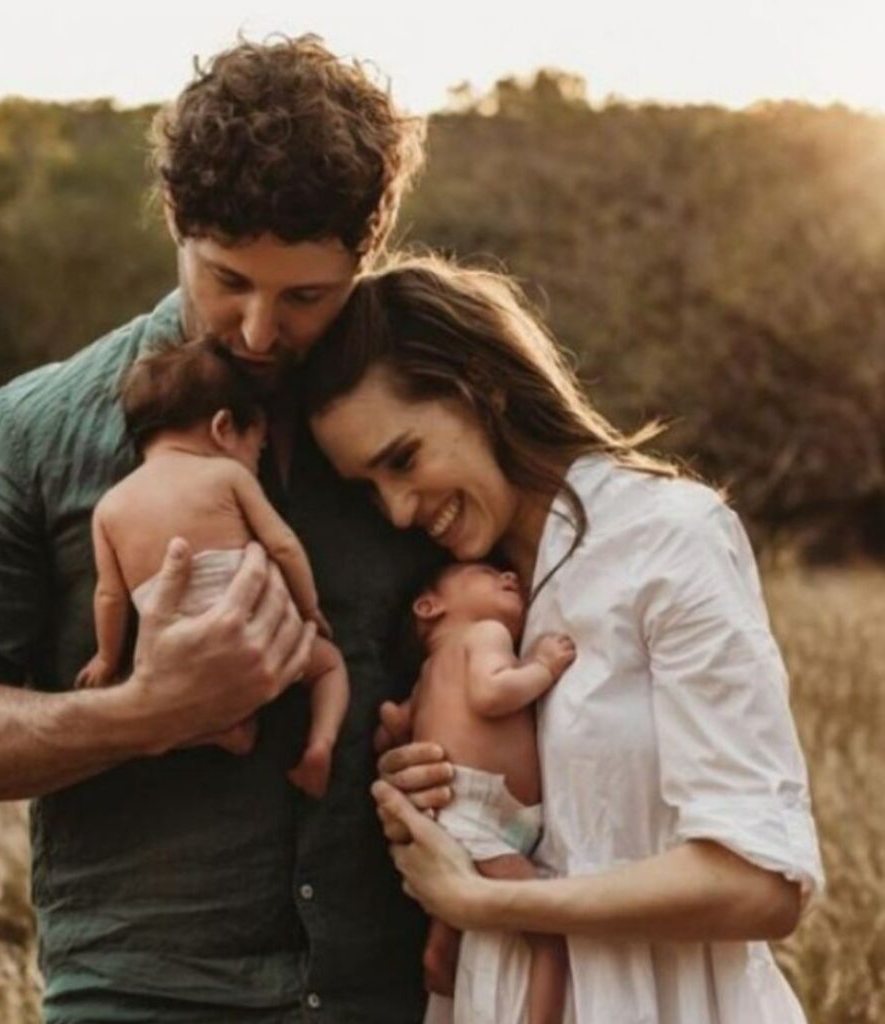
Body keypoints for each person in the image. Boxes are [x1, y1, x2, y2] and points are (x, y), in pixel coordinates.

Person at [0, 36, 444, 1023]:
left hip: (394, 995)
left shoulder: (425, 428)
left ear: (370, 248)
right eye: (227, 280)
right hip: (138, 1000)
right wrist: (141, 713)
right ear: (175, 225)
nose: (261, 330)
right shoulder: (29, 431)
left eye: (305, 296)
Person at [304, 254, 825, 1023]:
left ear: (481, 384)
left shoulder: (666, 539)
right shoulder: (455, 597)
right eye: (369, 489)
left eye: (404, 460)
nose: (400, 511)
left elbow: (761, 884)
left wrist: (493, 899)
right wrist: (434, 789)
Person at [75, 339, 348, 799]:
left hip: (178, 662)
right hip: (256, 636)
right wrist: (310, 607)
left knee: (165, 713)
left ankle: (226, 732)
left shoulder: (109, 508)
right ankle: (320, 747)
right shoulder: (226, 476)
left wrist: (106, 658)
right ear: (223, 427)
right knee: (329, 668)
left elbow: (110, 595)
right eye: (256, 449)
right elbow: (283, 547)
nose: (255, 462)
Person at [403, 559, 574, 1024]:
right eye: (486, 572)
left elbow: (397, 723)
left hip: (467, 811)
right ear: (429, 605)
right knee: (549, 934)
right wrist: (542, 667)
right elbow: (490, 694)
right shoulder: (485, 633)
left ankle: (443, 942)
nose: (509, 577)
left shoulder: (427, 674)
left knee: (463, 883)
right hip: (480, 812)